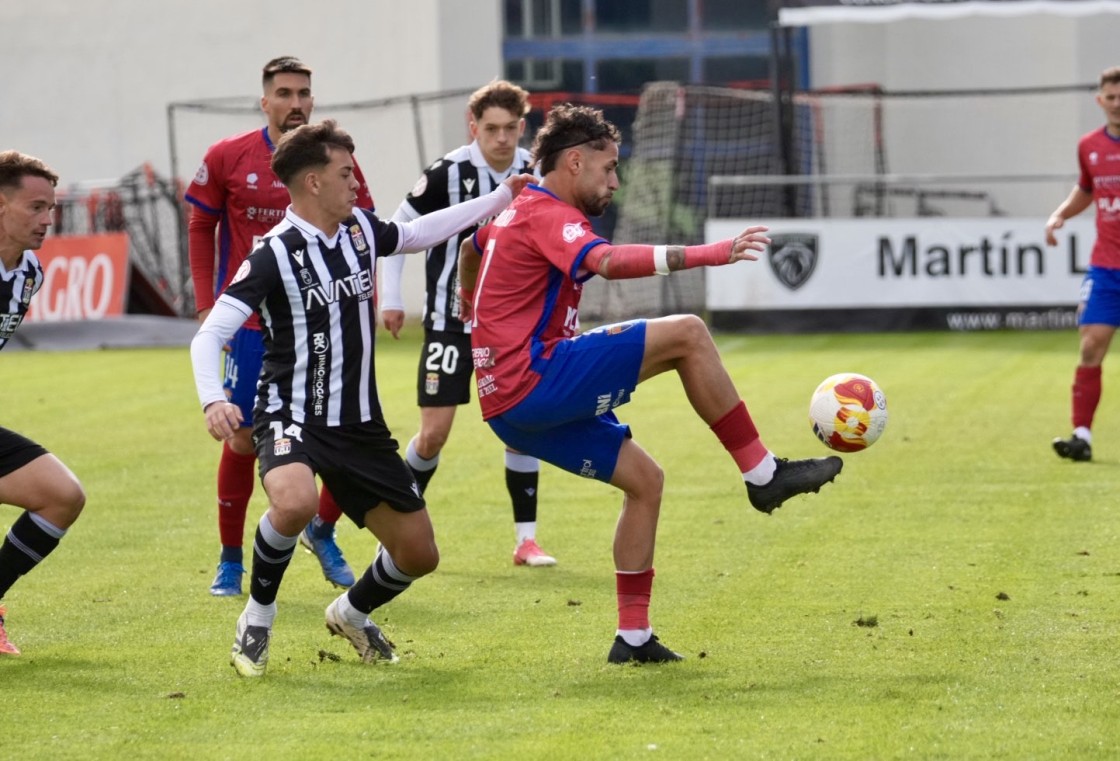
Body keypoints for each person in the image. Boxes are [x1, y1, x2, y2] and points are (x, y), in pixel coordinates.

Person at [457, 104, 843, 665]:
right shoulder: (545, 212)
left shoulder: (517, 210)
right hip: (536, 377)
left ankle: (633, 638)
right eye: (609, 168)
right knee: (688, 333)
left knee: (645, 481)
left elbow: (471, 247)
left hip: (505, 407)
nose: (614, 182)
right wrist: (711, 254)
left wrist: (468, 302)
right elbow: (608, 262)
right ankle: (763, 474)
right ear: (573, 162)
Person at [190, 119, 533, 677]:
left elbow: (417, 233)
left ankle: (350, 612)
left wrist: (499, 198)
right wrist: (213, 400)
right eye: (346, 173)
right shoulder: (273, 254)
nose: (356, 182)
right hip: (290, 413)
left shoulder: (360, 231)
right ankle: (257, 617)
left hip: (359, 426)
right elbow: (209, 336)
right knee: (295, 503)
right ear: (313, 182)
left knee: (419, 554)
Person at [186, 56, 367, 594]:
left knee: (346, 433)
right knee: (243, 439)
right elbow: (200, 225)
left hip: (318, 322)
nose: (296, 103)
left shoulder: (335, 161)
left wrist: (366, 301)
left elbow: (366, 230)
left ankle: (321, 529)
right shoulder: (228, 155)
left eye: (304, 93)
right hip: (249, 326)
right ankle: (230, 559)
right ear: (264, 101)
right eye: (284, 93)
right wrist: (205, 304)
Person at [381, 81, 556, 567]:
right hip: (448, 321)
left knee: (522, 425)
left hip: (513, 327)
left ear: (522, 127)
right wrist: (391, 299)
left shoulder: (537, 171)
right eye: (491, 128)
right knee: (433, 434)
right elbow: (395, 233)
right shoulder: (447, 173)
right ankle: (395, 529)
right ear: (473, 126)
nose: (501, 138)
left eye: (510, 128)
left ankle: (526, 540)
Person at [0, 150, 87, 655]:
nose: (47, 219)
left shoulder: (29, 272)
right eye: (36, 207)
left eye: (51, 208)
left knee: (62, 496)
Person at [1048, 66, 1120, 463]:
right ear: (1100, 100)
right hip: (1106, 268)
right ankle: (1081, 436)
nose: (1117, 103)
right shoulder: (1089, 145)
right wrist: (1060, 214)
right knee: (1091, 346)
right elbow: (1087, 188)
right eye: (1111, 97)